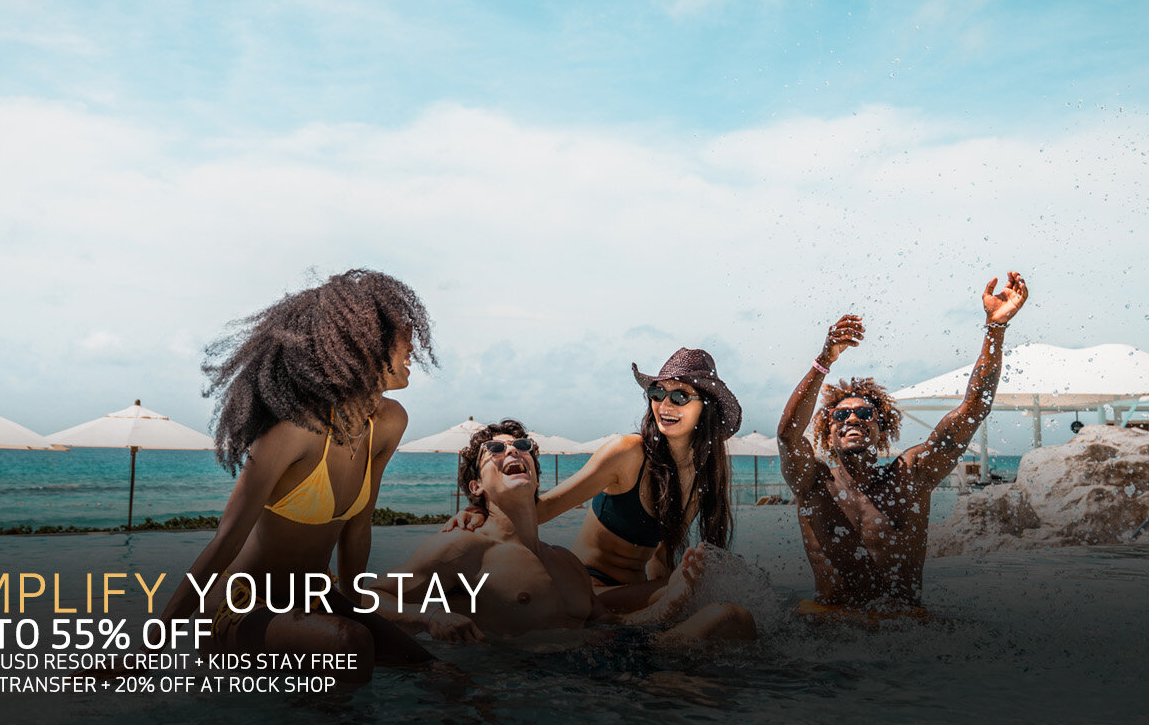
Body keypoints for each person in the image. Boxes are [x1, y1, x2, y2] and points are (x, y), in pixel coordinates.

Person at [154, 269, 438, 683]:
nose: (413, 345)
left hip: (312, 602)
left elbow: (357, 530)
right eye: (400, 336)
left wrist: (364, 608)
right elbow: (226, 541)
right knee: (350, 643)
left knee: (436, 671)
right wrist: (153, 645)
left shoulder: (389, 423)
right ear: (359, 345)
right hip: (238, 607)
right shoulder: (291, 432)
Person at [777, 272, 1029, 615]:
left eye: (865, 413)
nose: (852, 419)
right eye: (840, 416)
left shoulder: (909, 477)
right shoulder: (813, 484)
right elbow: (788, 436)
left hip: (902, 629)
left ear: (882, 430)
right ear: (826, 431)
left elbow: (974, 409)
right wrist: (825, 360)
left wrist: (995, 330)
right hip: (829, 628)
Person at [383, 420, 756, 644]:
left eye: (523, 446)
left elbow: (615, 625)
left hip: (604, 672)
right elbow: (366, 598)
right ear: (475, 487)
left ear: (534, 470)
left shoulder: (565, 562)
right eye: (495, 449)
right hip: (528, 688)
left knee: (732, 618)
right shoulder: (462, 550)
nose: (512, 451)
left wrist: (673, 599)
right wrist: (430, 619)